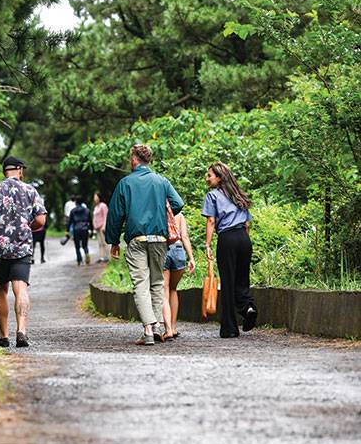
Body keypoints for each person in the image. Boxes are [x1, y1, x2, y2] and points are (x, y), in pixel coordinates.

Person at [106, 144, 184, 346]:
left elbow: (115, 215)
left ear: (134, 160)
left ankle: (148, 331)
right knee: (157, 283)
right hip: (159, 239)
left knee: (141, 283)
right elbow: (177, 204)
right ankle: (157, 326)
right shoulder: (161, 181)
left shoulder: (125, 183)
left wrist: (113, 241)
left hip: (137, 240)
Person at [0, 155, 46, 349]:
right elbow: (41, 220)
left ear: (4, 171)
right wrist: (26, 228)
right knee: (20, 287)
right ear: (20, 170)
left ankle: (4, 336)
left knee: (0, 289)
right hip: (21, 246)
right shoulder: (30, 190)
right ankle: (21, 331)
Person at [202, 161, 257, 339]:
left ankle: (230, 328)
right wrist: (244, 238)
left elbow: (211, 221)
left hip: (227, 239)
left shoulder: (213, 195)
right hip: (244, 238)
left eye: (209, 175)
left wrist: (208, 244)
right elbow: (247, 224)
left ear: (218, 178)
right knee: (242, 278)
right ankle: (248, 307)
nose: (207, 178)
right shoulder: (239, 195)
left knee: (228, 282)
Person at [162, 205, 196, 339]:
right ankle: (174, 327)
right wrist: (191, 258)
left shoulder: (159, 213)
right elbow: (185, 236)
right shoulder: (180, 215)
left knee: (164, 290)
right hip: (178, 249)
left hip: (164, 249)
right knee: (173, 289)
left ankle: (168, 329)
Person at [67, 198, 92, 265]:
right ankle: (86, 254)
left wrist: (67, 231)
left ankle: (79, 260)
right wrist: (91, 230)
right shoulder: (87, 211)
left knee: (77, 246)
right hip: (85, 229)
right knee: (85, 245)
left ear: (75, 202)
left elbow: (69, 222)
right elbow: (90, 221)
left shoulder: (72, 211)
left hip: (76, 229)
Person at [93, 192, 110, 262]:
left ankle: (108, 257)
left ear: (99, 197)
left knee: (104, 242)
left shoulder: (103, 205)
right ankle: (101, 257)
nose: (95, 199)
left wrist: (104, 226)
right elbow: (94, 217)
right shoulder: (96, 207)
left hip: (102, 227)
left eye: (96, 197)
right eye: (94, 197)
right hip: (97, 228)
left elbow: (106, 216)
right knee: (100, 243)